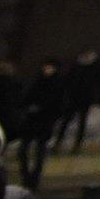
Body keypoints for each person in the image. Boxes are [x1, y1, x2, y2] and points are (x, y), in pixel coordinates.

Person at [15, 60, 65, 189]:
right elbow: (26, 98)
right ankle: (26, 175)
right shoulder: (37, 81)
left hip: (45, 121)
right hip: (32, 121)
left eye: (50, 67)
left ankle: (35, 176)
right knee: (23, 150)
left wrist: (43, 110)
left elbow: (58, 104)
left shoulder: (57, 84)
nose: (47, 69)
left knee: (40, 150)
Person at [54, 50, 100, 155]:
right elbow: (68, 80)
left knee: (80, 122)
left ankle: (76, 145)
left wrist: (97, 95)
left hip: (85, 98)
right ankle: (58, 143)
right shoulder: (78, 66)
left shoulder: (94, 67)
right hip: (75, 97)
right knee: (67, 120)